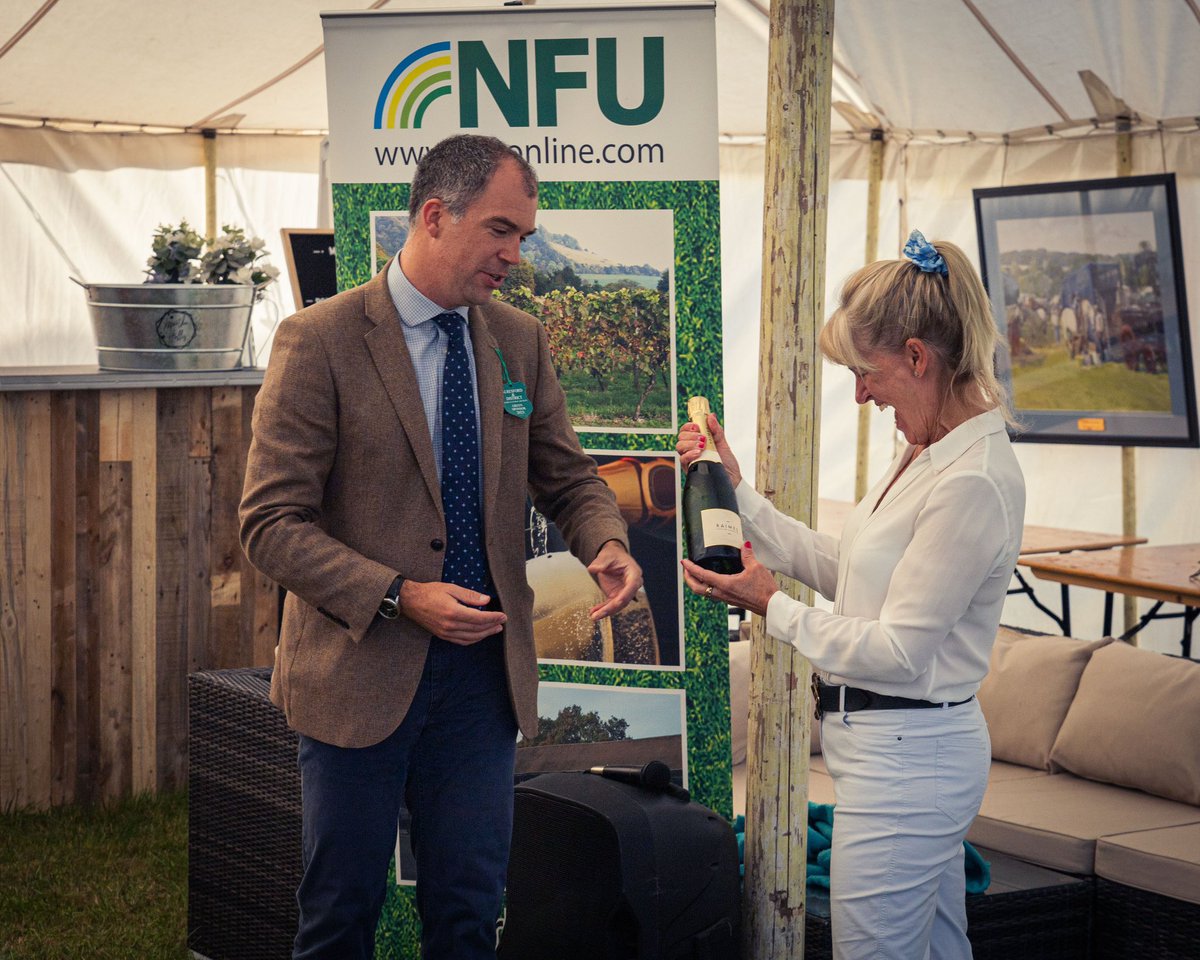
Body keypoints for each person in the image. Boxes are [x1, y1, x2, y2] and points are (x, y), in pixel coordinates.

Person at [240, 134, 643, 960]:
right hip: (358, 673)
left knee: (468, 915)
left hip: (481, 685)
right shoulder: (321, 339)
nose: (515, 255)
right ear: (434, 215)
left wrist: (604, 539)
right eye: (500, 230)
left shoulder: (518, 340)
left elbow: (568, 476)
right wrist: (399, 595)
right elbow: (270, 523)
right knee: (339, 916)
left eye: (524, 236)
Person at [677, 231, 1025, 960]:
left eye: (867, 374)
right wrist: (737, 492)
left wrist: (773, 607)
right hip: (899, 756)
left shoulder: (970, 480)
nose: (862, 395)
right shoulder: (929, 451)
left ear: (918, 357)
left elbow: (899, 651)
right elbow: (854, 570)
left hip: (909, 765)